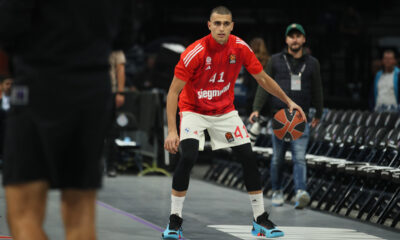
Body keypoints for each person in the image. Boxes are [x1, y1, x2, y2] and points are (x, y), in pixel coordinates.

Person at [163, 6, 306, 239]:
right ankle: (174, 221)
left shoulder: (239, 48)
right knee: (188, 156)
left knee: (248, 157)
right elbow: (172, 93)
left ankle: (260, 220)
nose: (221, 28)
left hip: (224, 111)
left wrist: (288, 101)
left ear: (232, 26)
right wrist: (171, 130)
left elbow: (263, 79)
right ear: (209, 25)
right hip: (194, 110)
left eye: (226, 23)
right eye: (217, 23)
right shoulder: (195, 52)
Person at [0, 1, 134, 239]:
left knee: (24, 213)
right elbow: (125, 35)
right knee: (80, 210)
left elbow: (9, 28)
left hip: (38, 82)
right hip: (91, 89)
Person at [249, 23, 323, 209]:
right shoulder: (275, 60)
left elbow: (317, 90)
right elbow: (264, 84)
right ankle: (277, 190)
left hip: (301, 118)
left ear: (304, 40)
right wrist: (256, 108)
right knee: (277, 158)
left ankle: (300, 192)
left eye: (298, 36)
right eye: (292, 36)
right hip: (280, 118)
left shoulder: (312, 63)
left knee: (299, 157)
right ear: (286, 40)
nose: (295, 39)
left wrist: (319, 112)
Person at [105, 50, 127, 177]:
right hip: (90, 91)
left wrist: (120, 92)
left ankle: (111, 165)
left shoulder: (114, 46)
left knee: (110, 131)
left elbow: (120, 68)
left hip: (109, 91)